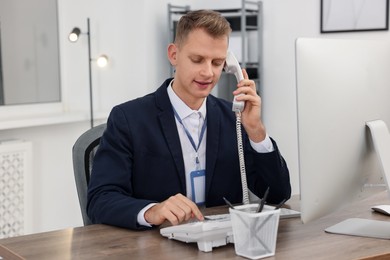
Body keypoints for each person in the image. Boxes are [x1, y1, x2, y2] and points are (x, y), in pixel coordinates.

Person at [87, 9, 291, 230]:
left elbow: (277, 195)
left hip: (222, 246)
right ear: (174, 55)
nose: (208, 73)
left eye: (217, 63)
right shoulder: (128, 119)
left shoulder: (235, 118)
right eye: (197, 60)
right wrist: (151, 211)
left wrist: (256, 130)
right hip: (157, 247)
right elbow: (100, 199)